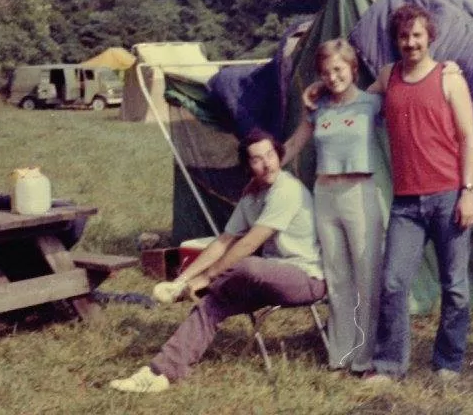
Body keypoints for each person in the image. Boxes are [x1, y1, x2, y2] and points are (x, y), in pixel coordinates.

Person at [109, 128, 325, 394]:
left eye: (270, 154)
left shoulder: (287, 189)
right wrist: (183, 279)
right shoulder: (252, 197)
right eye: (257, 159)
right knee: (212, 302)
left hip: (306, 278)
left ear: (279, 155)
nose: (267, 163)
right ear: (248, 165)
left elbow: (249, 243)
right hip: (268, 277)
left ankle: (200, 288)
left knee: (245, 265)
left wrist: (208, 276)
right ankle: (161, 372)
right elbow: (223, 242)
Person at [361, 2, 473, 383]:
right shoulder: (387, 76)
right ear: (395, 40)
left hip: (449, 197)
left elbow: (468, 138)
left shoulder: (449, 78)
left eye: (417, 35)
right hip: (407, 204)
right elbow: (354, 98)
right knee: (394, 283)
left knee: (455, 287)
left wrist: (468, 192)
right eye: (403, 36)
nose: (410, 43)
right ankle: (389, 364)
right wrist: (317, 88)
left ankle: (448, 363)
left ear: (430, 37)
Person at [282, 38, 386, 374]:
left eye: (339, 69)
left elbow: (391, 76)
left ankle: (365, 355)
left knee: (366, 275)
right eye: (325, 72)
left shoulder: (372, 103)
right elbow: (297, 142)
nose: (332, 77)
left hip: (360, 193)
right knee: (338, 277)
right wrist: (266, 165)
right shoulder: (318, 108)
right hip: (325, 195)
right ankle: (339, 353)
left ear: (353, 69)